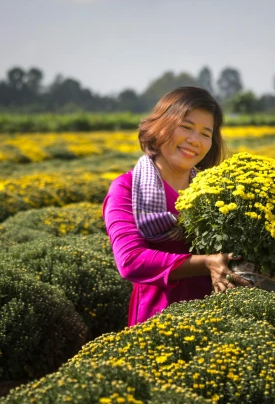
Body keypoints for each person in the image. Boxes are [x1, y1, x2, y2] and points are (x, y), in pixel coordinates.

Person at [103, 86, 250, 327]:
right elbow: (130, 260)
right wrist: (205, 262)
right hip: (160, 322)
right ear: (162, 125)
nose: (195, 140)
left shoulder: (215, 191)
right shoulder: (126, 188)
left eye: (206, 134)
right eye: (186, 127)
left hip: (220, 319)